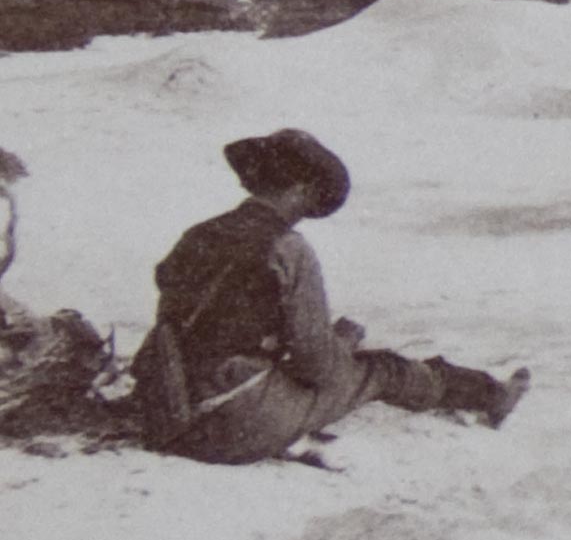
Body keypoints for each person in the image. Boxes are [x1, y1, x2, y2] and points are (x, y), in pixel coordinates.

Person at [135, 128, 529, 464]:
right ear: (300, 189)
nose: (308, 210)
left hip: (165, 411)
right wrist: (343, 352)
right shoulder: (287, 248)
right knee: (384, 369)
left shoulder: (199, 235)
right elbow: (317, 366)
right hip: (228, 424)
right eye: (311, 198)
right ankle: (490, 396)